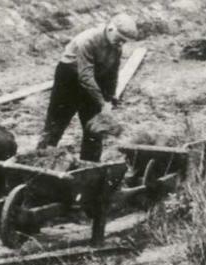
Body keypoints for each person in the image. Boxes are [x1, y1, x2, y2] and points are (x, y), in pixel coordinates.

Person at [38, 13, 140, 162]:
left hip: (94, 81)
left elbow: (112, 73)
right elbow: (85, 76)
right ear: (110, 29)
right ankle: (39, 163)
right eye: (119, 40)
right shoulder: (87, 40)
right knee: (56, 125)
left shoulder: (116, 47)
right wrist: (102, 102)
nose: (120, 45)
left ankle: (89, 168)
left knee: (94, 129)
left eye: (124, 42)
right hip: (69, 80)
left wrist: (110, 98)